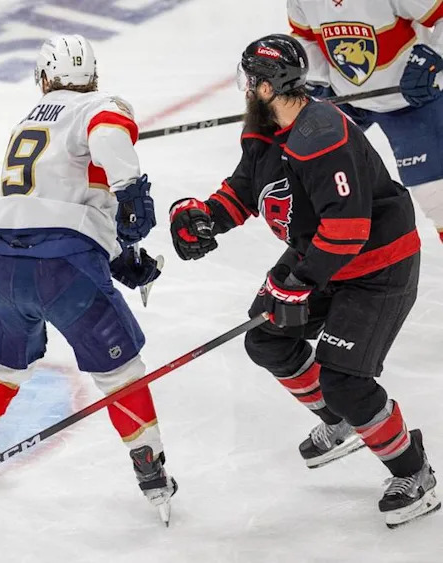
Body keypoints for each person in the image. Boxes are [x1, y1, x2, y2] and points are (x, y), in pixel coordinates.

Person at [169, 34, 438, 528]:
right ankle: (339, 421)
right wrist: (206, 215)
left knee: (345, 380)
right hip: (320, 256)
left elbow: (348, 228)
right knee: (267, 338)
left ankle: (414, 472)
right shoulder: (266, 127)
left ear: (268, 87)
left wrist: (301, 282)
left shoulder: (322, 134)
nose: (245, 89)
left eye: (250, 80)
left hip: (376, 267)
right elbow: (249, 187)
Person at [0, 34, 175, 523]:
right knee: (121, 373)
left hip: (2, 265)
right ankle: (150, 470)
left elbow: (53, 209)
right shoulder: (98, 107)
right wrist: (130, 190)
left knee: (2, 367)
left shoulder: (27, 122)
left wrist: (116, 255)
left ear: (44, 77)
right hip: (65, 269)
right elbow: (108, 143)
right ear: (93, 76)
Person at [288, 0, 443, 242]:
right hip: (349, 102)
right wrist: (321, 79)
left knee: (435, 195)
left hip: (413, 101)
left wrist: (434, 56)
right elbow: (304, 37)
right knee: (320, 185)